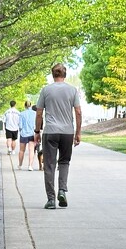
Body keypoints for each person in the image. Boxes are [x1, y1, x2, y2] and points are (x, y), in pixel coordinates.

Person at [34, 63, 82, 209]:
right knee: (64, 162)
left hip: (50, 132)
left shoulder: (45, 90)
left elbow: (39, 112)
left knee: (49, 165)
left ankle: (51, 200)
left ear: (52, 74)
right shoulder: (72, 90)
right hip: (67, 132)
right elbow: (78, 112)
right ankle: (62, 189)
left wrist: (37, 131)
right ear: (64, 75)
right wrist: (78, 132)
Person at [17, 100, 36, 170]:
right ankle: (30, 166)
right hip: (32, 134)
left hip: (23, 134)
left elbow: (20, 126)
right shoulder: (35, 113)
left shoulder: (21, 114)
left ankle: (20, 164)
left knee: (22, 150)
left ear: (24, 106)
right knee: (31, 150)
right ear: (30, 106)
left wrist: (21, 130)